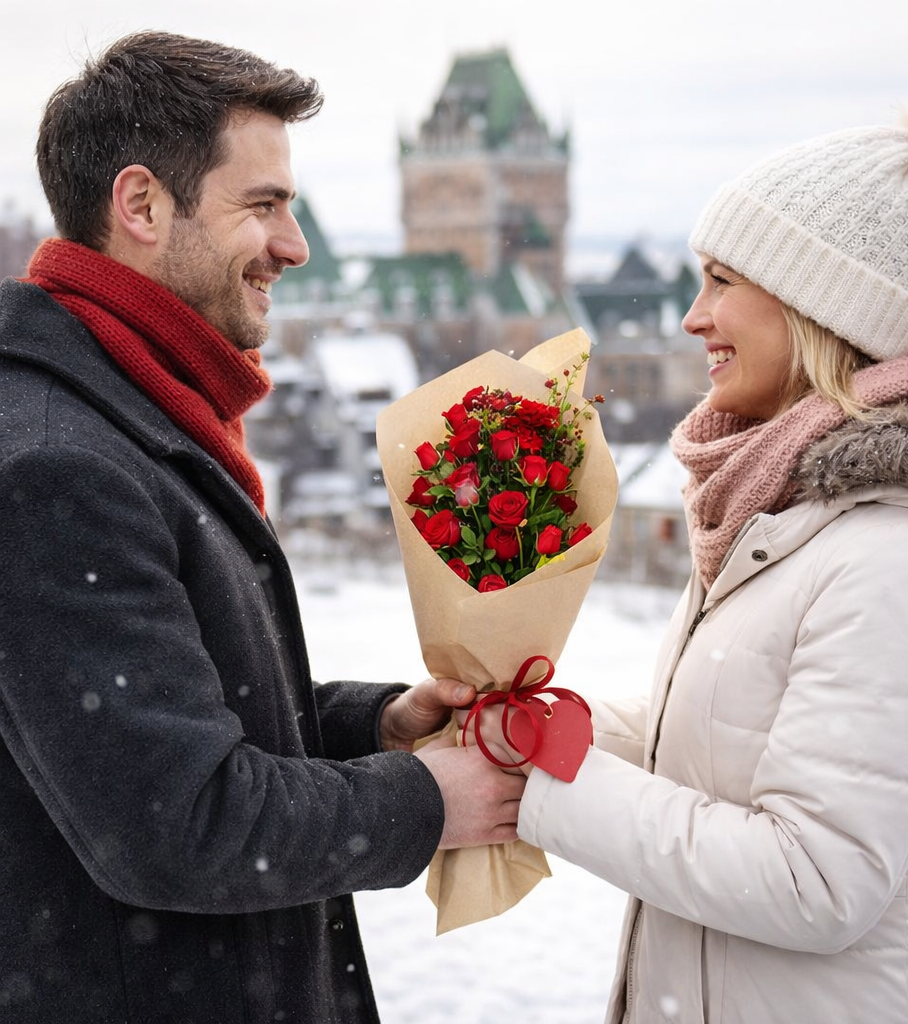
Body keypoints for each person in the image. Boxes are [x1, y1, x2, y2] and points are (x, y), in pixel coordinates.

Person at [470, 78, 908, 1022]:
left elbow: (815, 879)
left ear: (820, 309)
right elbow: (727, 732)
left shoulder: (896, 556)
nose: (693, 317)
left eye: (722, 282)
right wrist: (542, 725)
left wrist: (545, 788)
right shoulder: (785, 503)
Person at [0, 30, 524, 1024]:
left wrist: (369, 725)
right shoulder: (57, 467)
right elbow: (175, 820)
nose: (295, 244)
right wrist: (423, 803)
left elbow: (158, 720)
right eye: (263, 205)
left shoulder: (131, 416)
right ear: (142, 206)